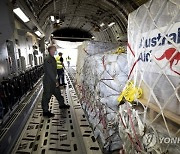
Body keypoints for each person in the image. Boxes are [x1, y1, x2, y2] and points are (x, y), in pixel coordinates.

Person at [41, 45, 70, 118]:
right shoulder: (48, 59)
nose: (55, 50)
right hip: (49, 81)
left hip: (53, 80)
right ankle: (45, 111)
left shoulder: (52, 58)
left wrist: (56, 80)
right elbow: (49, 71)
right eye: (54, 49)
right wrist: (56, 81)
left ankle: (62, 104)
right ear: (51, 50)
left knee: (58, 93)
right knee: (47, 96)